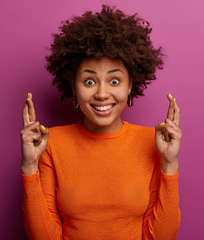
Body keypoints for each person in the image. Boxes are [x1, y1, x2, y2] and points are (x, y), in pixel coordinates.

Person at [20, 5, 182, 240]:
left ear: (130, 87)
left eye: (114, 81)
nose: (102, 93)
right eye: (89, 82)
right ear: (73, 87)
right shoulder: (50, 144)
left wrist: (170, 163)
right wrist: (29, 166)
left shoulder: (154, 143)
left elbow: (162, 237)